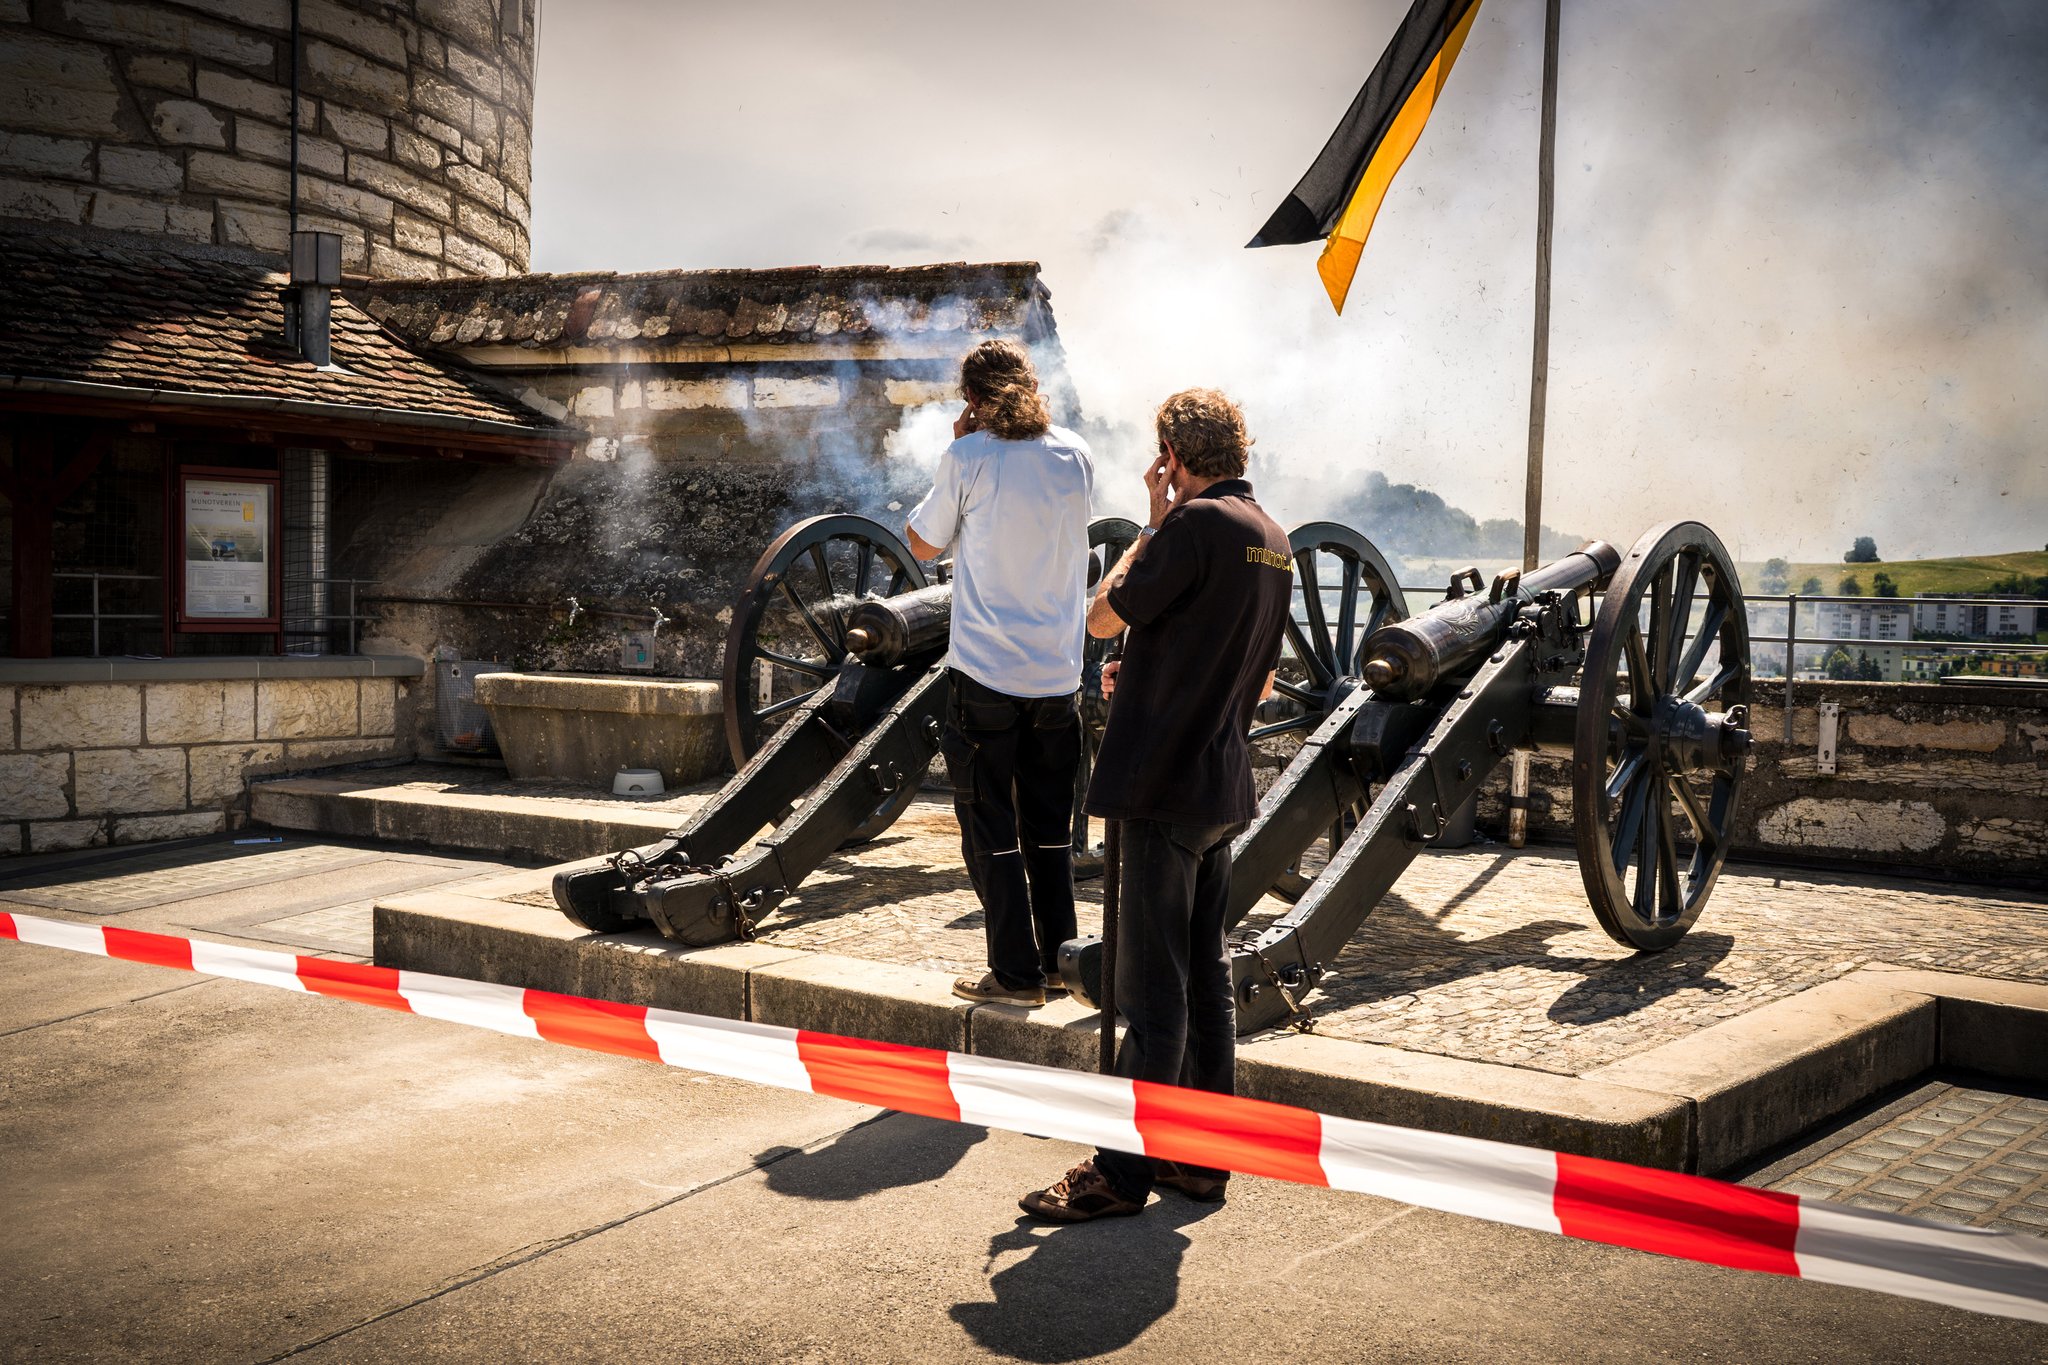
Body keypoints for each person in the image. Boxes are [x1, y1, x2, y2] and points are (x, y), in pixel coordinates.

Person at [1020, 388, 1291, 1222]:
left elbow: (1102, 616)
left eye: (1162, 456)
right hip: (1218, 780)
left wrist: (1148, 521)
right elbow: (1260, 675)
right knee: (1205, 977)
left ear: (1173, 454)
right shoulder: (1272, 540)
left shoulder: (1191, 526)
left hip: (1160, 784)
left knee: (1150, 989)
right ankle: (1199, 1158)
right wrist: (1147, 677)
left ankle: (1120, 1169)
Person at [906, 339, 1095, 1008]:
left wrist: (956, 449)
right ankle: (1059, 966)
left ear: (974, 401)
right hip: (1057, 675)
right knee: (1048, 833)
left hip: (986, 673)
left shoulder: (968, 456)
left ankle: (1014, 974)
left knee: (992, 831)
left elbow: (923, 543)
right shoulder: (1076, 455)